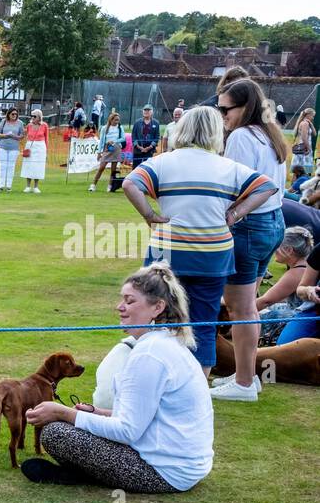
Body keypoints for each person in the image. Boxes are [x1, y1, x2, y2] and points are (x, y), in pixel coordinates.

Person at [21, 264, 212, 493]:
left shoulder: (150, 354)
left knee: (55, 432)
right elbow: (150, 417)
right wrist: (96, 413)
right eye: (122, 299)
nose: (120, 307)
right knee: (71, 424)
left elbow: (127, 432)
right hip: (185, 466)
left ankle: (83, 475)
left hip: (163, 472)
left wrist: (65, 413)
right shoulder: (165, 343)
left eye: (130, 301)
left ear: (157, 308)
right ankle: (84, 472)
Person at [121, 104, 276, 376]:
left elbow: (130, 184)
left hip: (167, 254)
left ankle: (155, 378)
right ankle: (196, 390)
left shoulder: (162, 162)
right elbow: (266, 186)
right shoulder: (228, 167)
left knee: (157, 318)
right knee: (203, 323)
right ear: (216, 132)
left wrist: (149, 215)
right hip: (213, 256)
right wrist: (236, 213)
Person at [213, 78, 288, 402]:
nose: (222, 115)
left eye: (225, 109)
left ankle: (244, 382)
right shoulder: (270, 136)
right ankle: (246, 375)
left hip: (250, 226)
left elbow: (236, 187)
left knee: (240, 307)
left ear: (244, 108)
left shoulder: (242, 136)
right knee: (248, 306)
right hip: (273, 223)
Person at [255, 225, 315, 344]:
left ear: (289, 250)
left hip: (300, 317)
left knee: (259, 314)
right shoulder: (305, 266)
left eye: (277, 246)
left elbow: (265, 301)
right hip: (301, 312)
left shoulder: (297, 272)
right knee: (269, 309)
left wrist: (237, 311)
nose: (274, 250)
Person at [89, 111, 126, 192]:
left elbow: (123, 138)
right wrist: (99, 152)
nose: (117, 122)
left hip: (116, 148)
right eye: (115, 120)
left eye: (118, 120)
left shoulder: (120, 127)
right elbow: (102, 141)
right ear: (111, 120)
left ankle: (110, 185)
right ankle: (93, 185)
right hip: (107, 148)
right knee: (101, 167)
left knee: (113, 170)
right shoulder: (104, 128)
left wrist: (114, 141)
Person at [0, 107, 24, 192]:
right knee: (3, 166)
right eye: (13, 114)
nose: (14, 115)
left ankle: (9, 186)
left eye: (16, 114)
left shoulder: (20, 123)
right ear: (9, 114)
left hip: (14, 148)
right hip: (2, 147)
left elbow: (22, 135)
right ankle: (1, 185)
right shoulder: (3, 122)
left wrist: (14, 136)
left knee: (11, 166)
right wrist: (5, 135)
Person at [21, 108, 48, 193]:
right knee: (28, 165)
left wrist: (46, 150)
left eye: (34, 116)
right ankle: (28, 186)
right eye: (32, 116)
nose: (33, 118)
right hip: (30, 145)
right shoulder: (29, 125)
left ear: (39, 117)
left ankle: (36, 186)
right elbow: (27, 136)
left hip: (40, 146)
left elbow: (46, 138)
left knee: (38, 166)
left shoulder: (44, 125)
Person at [131, 104, 160, 172]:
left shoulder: (156, 123)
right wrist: (138, 146)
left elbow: (157, 137)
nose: (146, 111)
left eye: (148, 110)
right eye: (145, 110)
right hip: (138, 150)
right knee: (136, 168)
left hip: (149, 150)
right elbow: (133, 136)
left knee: (147, 168)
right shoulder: (137, 122)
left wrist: (149, 147)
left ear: (152, 112)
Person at [292, 107, 315, 174]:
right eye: (312, 116)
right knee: (303, 170)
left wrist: (311, 124)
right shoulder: (305, 124)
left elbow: (314, 133)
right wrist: (308, 148)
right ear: (308, 115)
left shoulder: (307, 123)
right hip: (304, 148)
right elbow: (304, 137)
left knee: (298, 170)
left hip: (303, 148)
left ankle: (296, 183)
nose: (313, 118)